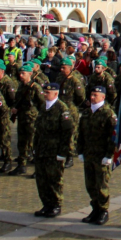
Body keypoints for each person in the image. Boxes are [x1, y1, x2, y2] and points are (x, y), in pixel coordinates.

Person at [33, 82, 76, 218]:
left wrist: (64, 153)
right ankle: (46, 204)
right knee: (42, 179)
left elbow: (67, 132)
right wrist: (35, 147)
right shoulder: (43, 108)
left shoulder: (62, 109)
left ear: (56, 93)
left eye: (48, 93)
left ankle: (56, 204)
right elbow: (38, 130)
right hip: (42, 149)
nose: (45, 95)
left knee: (54, 179)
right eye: (44, 92)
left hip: (54, 151)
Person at [78, 85, 117, 225]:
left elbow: (113, 136)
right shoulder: (87, 113)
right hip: (89, 154)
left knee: (101, 185)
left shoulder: (108, 114)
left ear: (103, 97)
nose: (92, 97)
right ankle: (95, 209)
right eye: (92, 94)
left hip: (102, 155)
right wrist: (80, 151)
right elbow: (81, 134)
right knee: (90, 184)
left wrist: (109, 155)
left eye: (96, 95)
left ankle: (103, 210)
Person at [11, 64, 44, 176]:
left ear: (30, 74)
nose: (21, 75)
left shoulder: (35, 87)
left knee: (34, 144)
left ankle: (38, 169)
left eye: (23, 73)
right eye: (20, 73)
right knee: (22, 143)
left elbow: (42, 104)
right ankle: (21, 165)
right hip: (22, 118)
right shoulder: (21, 86)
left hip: (32, 120)